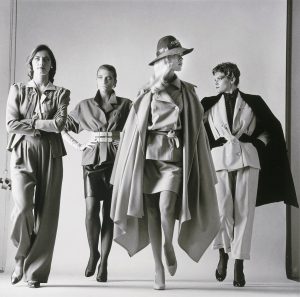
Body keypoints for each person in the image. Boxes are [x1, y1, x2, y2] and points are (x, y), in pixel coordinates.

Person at [110, 35, 220, 290]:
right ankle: (158, 268)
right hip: (148, 158)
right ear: (165, 59)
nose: (182, 58)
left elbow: (196, 129)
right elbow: (135, 129)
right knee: (151, 211)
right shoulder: (147, 91)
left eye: (182, 54)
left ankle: (168, 245)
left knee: (167, 206)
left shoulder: (188, 91)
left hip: (173, 158)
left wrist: (178, 134)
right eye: (178, 54)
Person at [201, 62, 298, 287]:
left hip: (247, 158)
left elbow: (271, 129)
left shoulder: (253, 101)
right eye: (214, 78)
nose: (215, 81)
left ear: (232, 78)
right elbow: (194, 128)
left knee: (244, 212)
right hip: (219, 160)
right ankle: (223, 254)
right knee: (223, 211)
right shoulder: (207, 104)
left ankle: (239, 263)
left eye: (219, 77)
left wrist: (256, 144)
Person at [6, 44, 70, 288]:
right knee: (23, 208)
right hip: (22, 152)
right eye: (36, 59)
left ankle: (35, 273)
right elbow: (11, 124)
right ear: (30, 64)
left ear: (51, 64)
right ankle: (21, 256)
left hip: (51, 154)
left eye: (45, 59)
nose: (41, 62)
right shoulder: (18, 90)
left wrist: (31, 121)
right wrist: (41, 124)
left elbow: (60, 123)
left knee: (47, 215)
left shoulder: (61, 93)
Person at [62, 64, 131, 282]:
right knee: (91, 210)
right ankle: (94, 254)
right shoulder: (84, 106)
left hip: (116, 163)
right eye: (101, 77)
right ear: (96, 80)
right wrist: (78, 144)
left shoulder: (126, 105)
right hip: (91, 163)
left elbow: (138, 131)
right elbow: (62, 126)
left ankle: (105, 262)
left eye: (109, 78)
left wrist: (124, 143)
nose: (104, 81)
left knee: (109, 214)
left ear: (115, 81)